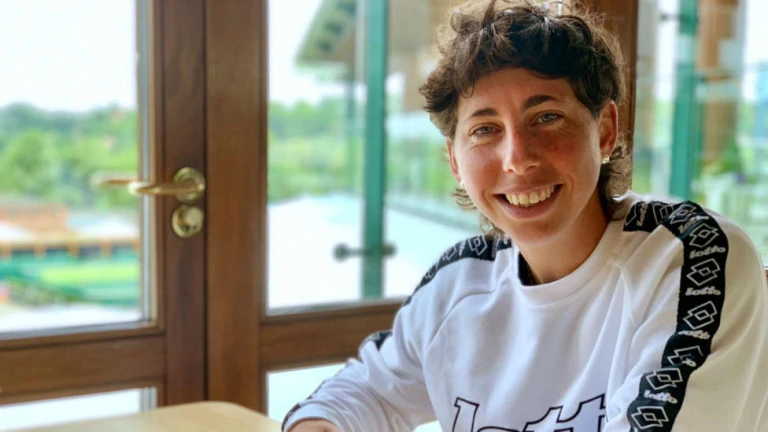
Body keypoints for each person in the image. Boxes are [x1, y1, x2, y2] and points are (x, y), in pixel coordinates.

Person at [283, 0, 768, 430]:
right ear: (455, 161)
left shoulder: (691, 261)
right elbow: (365, 393)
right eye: (485, 129)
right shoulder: (460, 281)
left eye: (546, 118)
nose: (517, 158)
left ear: (604, 131)